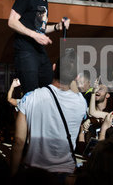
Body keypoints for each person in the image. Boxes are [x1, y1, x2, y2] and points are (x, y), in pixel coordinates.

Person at [10, 48, 87, 180]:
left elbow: (18, 142)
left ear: (53, 67)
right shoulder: (81, 103)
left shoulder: (31, 97)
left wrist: (12, 176)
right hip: (66, 175)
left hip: (35, 174)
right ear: (76, 77)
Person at [8, 0, 70, 94]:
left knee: (49, 88)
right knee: (32, 93)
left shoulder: (44, 1)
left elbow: (39, 28)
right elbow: (12, 21)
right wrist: (35, 35)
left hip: (39, 52)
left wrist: (58, 27)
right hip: (26, 51)